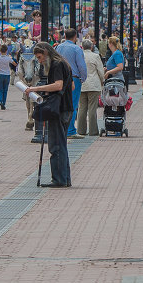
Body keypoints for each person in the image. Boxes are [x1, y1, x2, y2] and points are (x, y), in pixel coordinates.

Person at [26, 42, 72, 187]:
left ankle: (59, 179)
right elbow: (71, 85)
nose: (40, 61)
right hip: (65, 107)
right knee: (61, 144)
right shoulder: (63, 64)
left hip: (59, 109)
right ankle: (64, 178)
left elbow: (58, 85)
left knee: (56, 145)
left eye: (40, 57)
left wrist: (37, 88)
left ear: (46, 53)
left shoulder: (56, 64)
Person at [54, 28, 88, 138]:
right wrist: (83, 78)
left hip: (60, 78)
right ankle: (70, 130)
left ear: (65, 36)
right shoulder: (76, 49)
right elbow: (81, 66)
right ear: (75, 37)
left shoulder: (58, 47)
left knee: (61, 103)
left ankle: (61, 128)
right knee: (72, 104)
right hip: (74, 78)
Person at [78, 39, 104, 136]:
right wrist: (102, 81)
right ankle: (93, 131)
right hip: (93, 85)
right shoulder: (95, 56)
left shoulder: (80, 56)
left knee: (82, 108)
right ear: (91, 47)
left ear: (82, 47)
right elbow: (100, 71)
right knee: (92, 109)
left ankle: (81, 130)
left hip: (82, 84)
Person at [0, 44, 15, 110]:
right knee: (5, 90)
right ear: (6, 50)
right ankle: (4, 103)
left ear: (0, 50)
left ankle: (0, 101)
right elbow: (15, 64)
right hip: (7, 75)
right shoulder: (8, 58)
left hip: (0, 74)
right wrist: (11, 58)